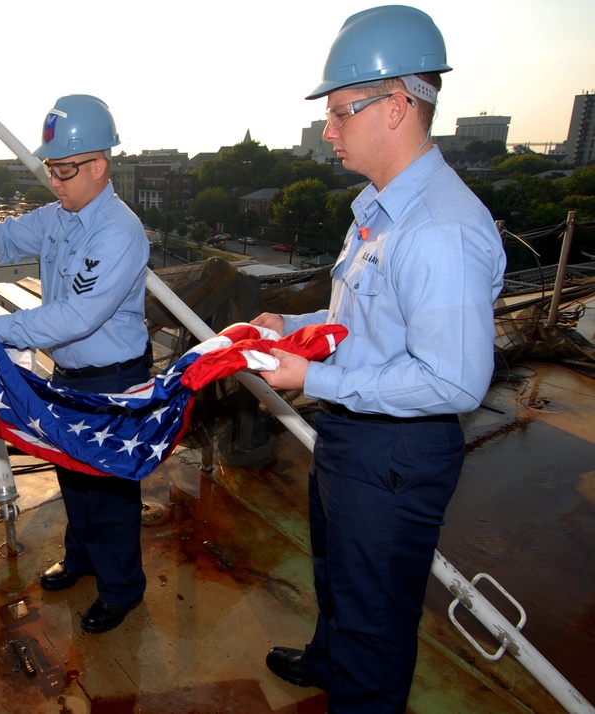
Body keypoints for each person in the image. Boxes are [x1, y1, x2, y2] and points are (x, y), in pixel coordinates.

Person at [252, 7, 506, 712]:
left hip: (395, 451)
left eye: (339, 111)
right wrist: (291, 325)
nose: (328, 131)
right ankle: (330, 659)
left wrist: (313, 378)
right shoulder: (382, 209)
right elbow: (359, 319)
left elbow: (454, 379)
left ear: (396, 107)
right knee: (340, 579)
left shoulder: (438, 231)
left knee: (376, 619)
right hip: (355, 432)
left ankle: (357, 684)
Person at [0, 94, 149, 634]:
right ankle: (83, 559)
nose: (55, 181)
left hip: (113, 379)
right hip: (69, 375)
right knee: (74, 477)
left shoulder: (118, 231)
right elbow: (9, 234)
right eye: (51, 170)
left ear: (98, 166)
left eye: (64, 170)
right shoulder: (62, 215)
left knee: (107, 489)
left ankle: (122, 589)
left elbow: (74, 317)